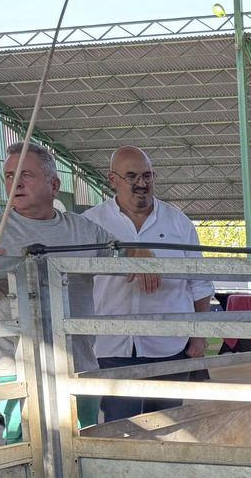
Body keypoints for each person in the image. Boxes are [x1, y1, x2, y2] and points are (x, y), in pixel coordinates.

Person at [0, 142, 158, 443]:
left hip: (78, 366)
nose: (16, 183)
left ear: (54, 185)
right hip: (17, 371)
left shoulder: (83, 229)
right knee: (25, 448)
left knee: (81, 448)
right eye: (9, 176)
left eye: (26, 175)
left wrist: (141, 252)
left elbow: (127, 252)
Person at [83, 146, 214, 422]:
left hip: (169, 346)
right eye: (131, 176)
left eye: (147, 175)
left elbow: (199, 283)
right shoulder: (90, 223)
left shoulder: (179, 223)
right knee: (119, 427)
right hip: (111, 347)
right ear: (112, 179)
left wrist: (199, 335)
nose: (141, 183)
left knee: (167, 425)